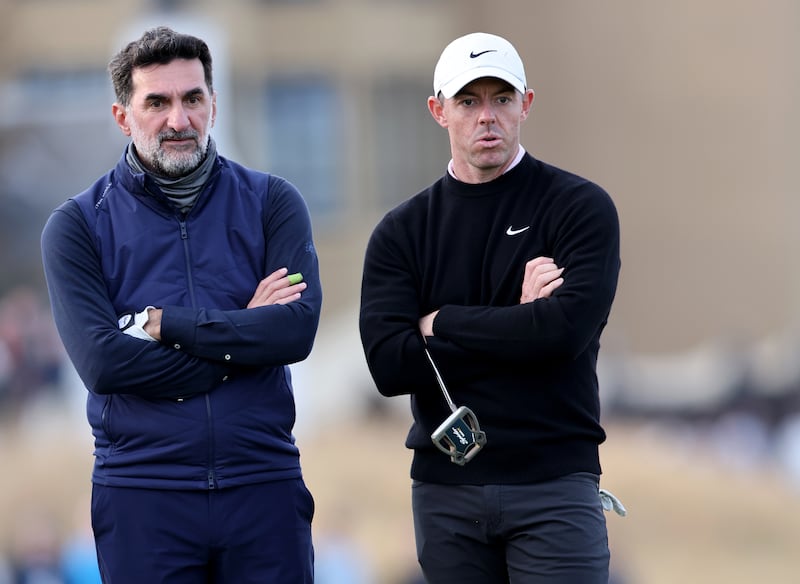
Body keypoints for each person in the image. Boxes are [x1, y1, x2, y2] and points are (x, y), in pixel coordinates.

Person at [41, 26, 321, 583]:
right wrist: (244, 331)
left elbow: (294, 335)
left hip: (261, 485)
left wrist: (163, 325)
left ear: (213, 104)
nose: (179, 119)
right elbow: (104, 364)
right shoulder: (76, 226)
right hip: (143, 493)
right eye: (158, 102)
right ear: (123, 116)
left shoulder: (272, 202)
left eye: (193, 98)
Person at [359, 32, 621, 583]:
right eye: (469, 101)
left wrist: (440, 322)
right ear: (439, 111)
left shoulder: (579, 208)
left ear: (525, 104)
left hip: (554, 484)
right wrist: (519, 318)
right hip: (446, 491)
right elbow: (388, 365)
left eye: (501, 99)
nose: (487, 117)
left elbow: (561, 334)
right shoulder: (402, 232)